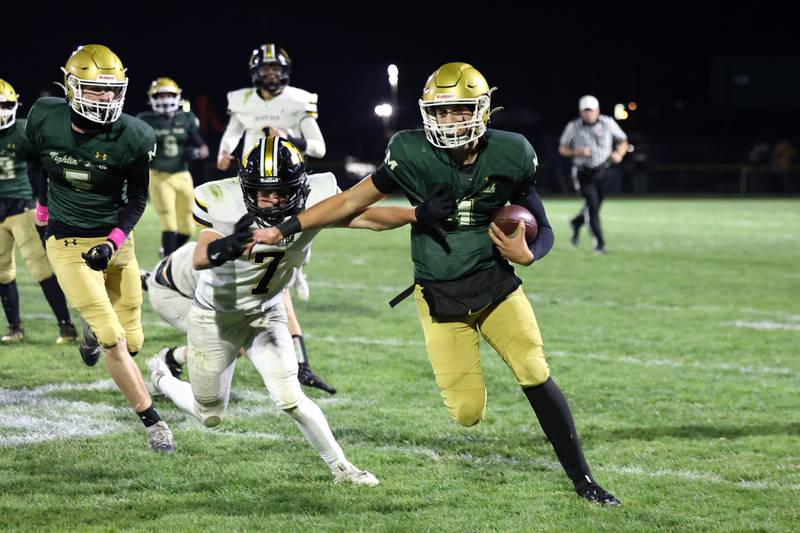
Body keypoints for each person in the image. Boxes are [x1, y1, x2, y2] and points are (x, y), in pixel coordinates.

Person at [253, 63, 621, 506]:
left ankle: (584, 481)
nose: (449, 121)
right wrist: (286, 226)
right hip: (440, 294)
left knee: (534, 370)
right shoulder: (409, 151)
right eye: (441, 112)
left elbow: (540, 224)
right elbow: (350, 201)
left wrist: (531, 252)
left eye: (460, 111)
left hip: (496, 286)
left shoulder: (512, 152)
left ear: (482, 110)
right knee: (467, 413)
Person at [147, 135, 412, 485]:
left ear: (300, 188)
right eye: (264, 192)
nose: (273, 201)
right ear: (246, 190)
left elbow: (370, 219)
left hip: (267, 312)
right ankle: (161, 375)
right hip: (215, 318)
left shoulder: (314, 203)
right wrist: (230, 244)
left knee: (289, 396)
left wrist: (416, 214)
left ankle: (342, 468)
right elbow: (200, 255)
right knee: (209, 414)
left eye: (283, 192)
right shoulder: (222, 203)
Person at [25, 44, 175, 452]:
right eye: (94, 90)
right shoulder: (44, 116)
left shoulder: (135, 135)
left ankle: (90, 336)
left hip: (114, 242)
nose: (105, 98)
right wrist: (41, 207)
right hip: (67, 240)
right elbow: (39, 160)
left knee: (133, 342)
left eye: (111, 90)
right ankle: (152, 422)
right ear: (72, 87)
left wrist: (112, 244)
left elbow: (138, 199)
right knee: (113, 337)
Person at [142, 241, 336, 393]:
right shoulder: (231, 270)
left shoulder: (275, 255)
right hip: (168, 292)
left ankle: (171, 358)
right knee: (232, 343)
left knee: (246, 333)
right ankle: (166, 362)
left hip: (183, 268)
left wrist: (302, 364)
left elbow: (286, 312)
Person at [217, 43, 325, 301]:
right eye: (265, 69)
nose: (271, 74)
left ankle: (295, 272)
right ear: (255, 71)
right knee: (245, 231)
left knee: (293, 233)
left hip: (287, 183)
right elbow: (233, 132)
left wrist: (290, 138)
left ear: (286, 70)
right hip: (252, 183)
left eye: (276, 68)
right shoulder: (242, 100)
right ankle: (254, 280)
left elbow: (319, 148)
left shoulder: (299, 100)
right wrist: (224, 151)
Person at [0, 78, 77, 344]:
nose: (1, 111)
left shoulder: (23, 131)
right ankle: (15, 327)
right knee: (2, 272)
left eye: (6, 104)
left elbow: (45, 163)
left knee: (41, 269)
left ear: (15, 104)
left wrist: (42, 199)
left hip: (21, 208)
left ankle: (66, 325)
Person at [137, 77, 209, 256]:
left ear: (177, 97)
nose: (164, 99)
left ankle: (168, 254)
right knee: (168, 222)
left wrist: (195, 152)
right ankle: (168, 264)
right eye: (160, 96)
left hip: (183, 175)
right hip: (158, 176)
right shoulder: (145, 120)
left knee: (188, 227)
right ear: (152, 99)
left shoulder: (186, 118)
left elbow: (203, 149)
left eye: (168, 95)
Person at [558, 95, 628, 253]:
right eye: (585, 111)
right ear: (581, 112)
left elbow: (623, 140)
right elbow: (562, 148)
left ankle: (577, 222)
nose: (588, 114)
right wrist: (577, 151)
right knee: (593, 207)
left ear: (597, 110)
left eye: (591, 110)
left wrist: (619, 153)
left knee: (594, 206)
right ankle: (600, 244)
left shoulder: (608, 122)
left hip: (603, 170)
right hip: (583, 172)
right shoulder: (573, 126)